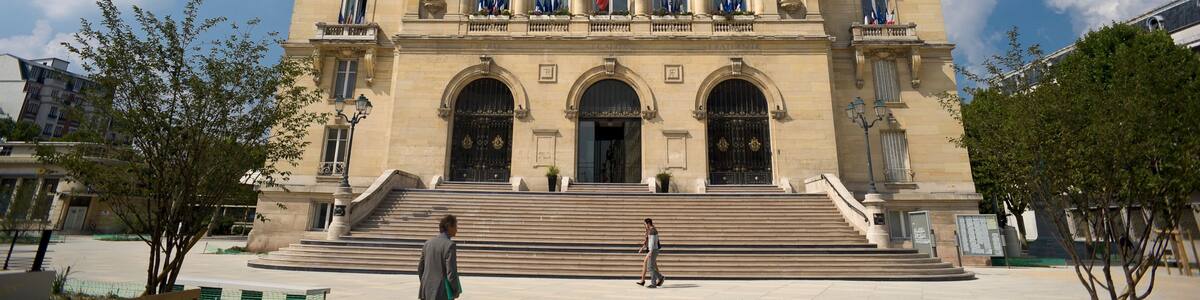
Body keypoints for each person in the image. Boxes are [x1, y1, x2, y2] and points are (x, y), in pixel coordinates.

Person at [419, 215, 461, 300]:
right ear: (449, 227)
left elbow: (420, 268)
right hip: (442, 292)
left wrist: (425, 284)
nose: (457, 230)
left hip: (426, 290)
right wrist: (456, 290)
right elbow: (451, 273)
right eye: (455, 226)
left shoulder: (427, 243)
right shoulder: (449, 245)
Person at [636, 218, 665, 288]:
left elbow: (652, 242)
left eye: (645, 224)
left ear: (648, 223)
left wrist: (650, 251)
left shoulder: (652, 231)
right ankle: (660, 278)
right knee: (651, 267)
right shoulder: (653, 230)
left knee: (650, 267)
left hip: (653, 250)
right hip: (654, 250)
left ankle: (654, 283)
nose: (645, 225)